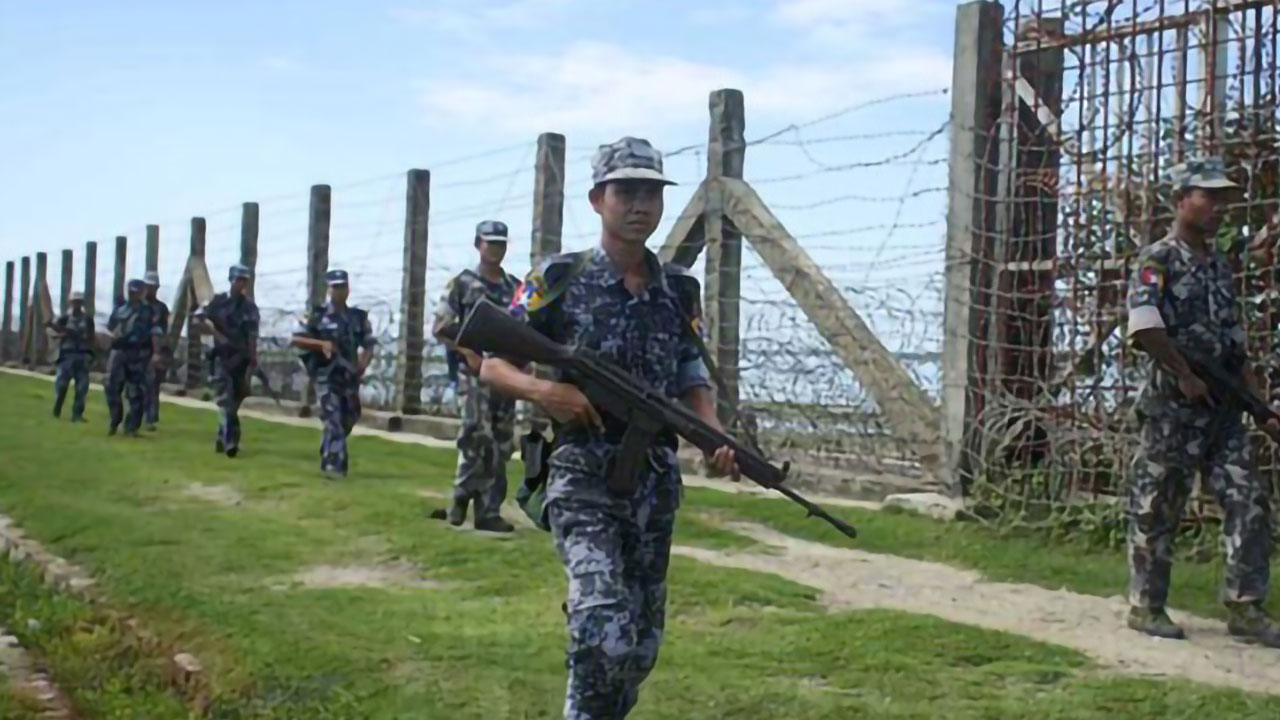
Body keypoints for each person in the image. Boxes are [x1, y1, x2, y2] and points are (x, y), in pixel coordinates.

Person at [477, 137, 738, 718]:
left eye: (651, 193)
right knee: (603, 628)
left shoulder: (679, 289)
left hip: (653, 482)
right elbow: (493, 365)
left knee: (639, 648)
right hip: (582, 474)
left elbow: (690, 372)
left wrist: (712, 433)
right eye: (626, 192)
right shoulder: (558, 277)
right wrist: (548, 392)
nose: (640, 205)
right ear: (598, 199)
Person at [1125, 156, 1280, 647]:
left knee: (1248, 498)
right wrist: (1184, 374)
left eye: (1223, 199)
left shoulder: (1217, 267)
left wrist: (1260, 407)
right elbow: (1145, 326)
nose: (1218, 207)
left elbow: (1236, 348)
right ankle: (1146, 605)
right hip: (1172, 408)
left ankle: (1246, 607)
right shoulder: (1158, 260)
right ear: (1180, 200)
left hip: (1222, 411)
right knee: (1159, 504)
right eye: (1208, 196)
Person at [431, 220, 522, 533]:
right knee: (475, 435)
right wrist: (468, 352)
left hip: (507, 375)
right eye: (490, 243)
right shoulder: (463, 283)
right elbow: (441, 326)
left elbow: (525, 328)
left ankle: (488, 510)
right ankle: (461, 497)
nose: (495, 249)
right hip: (473, 374)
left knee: (502, 441)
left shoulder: (515, 288)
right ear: (477, 244)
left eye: (501, 244)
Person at [290, 269, 375, 479]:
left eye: (343, 287)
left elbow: (369, 343)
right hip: (326, 376)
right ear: (328, 289)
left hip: (349, 376)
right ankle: (335, 466)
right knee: (333, 417)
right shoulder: (316, 315)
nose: (340, 291)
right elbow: (296, 339)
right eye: (335, 287)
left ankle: (328, 448)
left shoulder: (357, 317)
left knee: (350, 416)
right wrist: (321, 344)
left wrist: (363, 364)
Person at [193, 264, 259, 458]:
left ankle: (223, 436)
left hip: (241, 359)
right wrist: (215, 333)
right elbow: (197, 319)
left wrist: (253, 358)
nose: (241, 284)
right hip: (222, 358)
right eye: (238, 280)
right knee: (226, 401)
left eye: (244, 280)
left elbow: (253, 335)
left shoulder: (249, 307)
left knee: (235, 402)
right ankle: (232, 442)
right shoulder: (218, 302)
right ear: (231, 280)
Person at [105, 279, 160, 436]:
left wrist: (155, 353)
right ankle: (115, 420)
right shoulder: (120, 309)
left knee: (136, 391)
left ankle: (131, 427)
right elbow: (110, 327)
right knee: (112, 387)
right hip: (119, 352)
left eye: (135, 292)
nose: (132, 295)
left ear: (142, 292)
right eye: (130, 292)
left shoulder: (148, 311)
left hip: (138, 354)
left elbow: (154, 332)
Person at [49, 290, 94, 422]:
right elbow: (51, 331)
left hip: (82, 354)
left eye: (79, 302)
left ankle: (77, 415)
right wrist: (62, 335)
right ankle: (57, 410)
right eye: (75, 302)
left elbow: (91, 337)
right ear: (71, 302)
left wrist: (91, 353)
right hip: (66, 355)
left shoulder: (87, 319)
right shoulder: (64, 318)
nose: (77, 305)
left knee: (82, 387)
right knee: (62, 385)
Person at [142, 270, 171, 431]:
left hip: (153, 349)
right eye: (148, 286)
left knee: (152, 384)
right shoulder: (137, 305)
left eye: (153, 287)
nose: (150, 290)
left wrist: (159, 353)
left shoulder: (161, 308)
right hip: (137, 348)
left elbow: (162, 331)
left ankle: (150, 418)